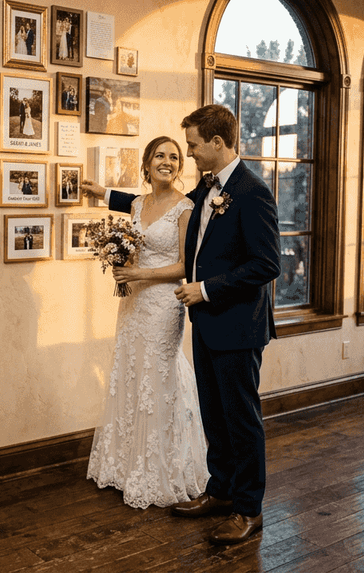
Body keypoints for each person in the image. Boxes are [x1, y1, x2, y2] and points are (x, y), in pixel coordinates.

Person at [89, 105, 281, 543]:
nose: (189, 153)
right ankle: (220, 491)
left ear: (217, 143)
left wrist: (207, 288)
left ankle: (249, 510)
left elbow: (267, 263)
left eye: (192, 145)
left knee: (242, 419)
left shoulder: (252, 191)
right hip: (207, 321)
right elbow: (161, 205)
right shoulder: (207, 187)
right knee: (215, 416)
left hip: (236, 324)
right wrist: (104, 194)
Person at [79, 135, 210, 510]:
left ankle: (160, 468)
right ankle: (125, 464)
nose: (166, 162)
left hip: (163, 305)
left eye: (174, 156)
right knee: (131, 374)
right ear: (147, 164)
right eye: (159, 156)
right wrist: (123, 268)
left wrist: (139, 275)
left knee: (158, 376)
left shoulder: (186, 208)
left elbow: (187, 266)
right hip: (133, 305)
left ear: (180, 166)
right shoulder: (137, 203)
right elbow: (130, 240)